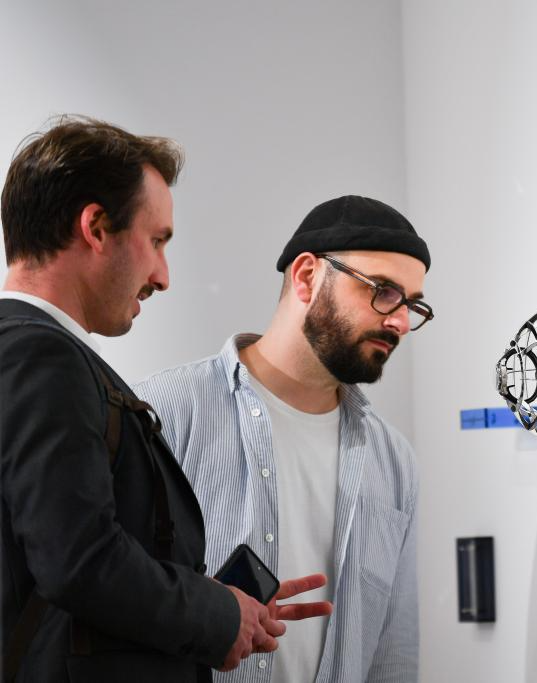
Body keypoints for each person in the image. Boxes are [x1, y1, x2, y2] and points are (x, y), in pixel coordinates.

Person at [0, 116, 325, 682]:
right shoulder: (41, 357)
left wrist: (218, 604)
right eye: (156, 241)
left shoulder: (33, 353)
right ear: (96, 227)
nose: (163, 276)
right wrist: (217, 615)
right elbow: (78, 560)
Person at [135, 195, 431, 682]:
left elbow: (393, 653)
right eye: (383, 291)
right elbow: (107, 597)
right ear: (307, 276)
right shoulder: (165, 412)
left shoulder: (393, 459)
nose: (400, 321)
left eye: (412, 304)